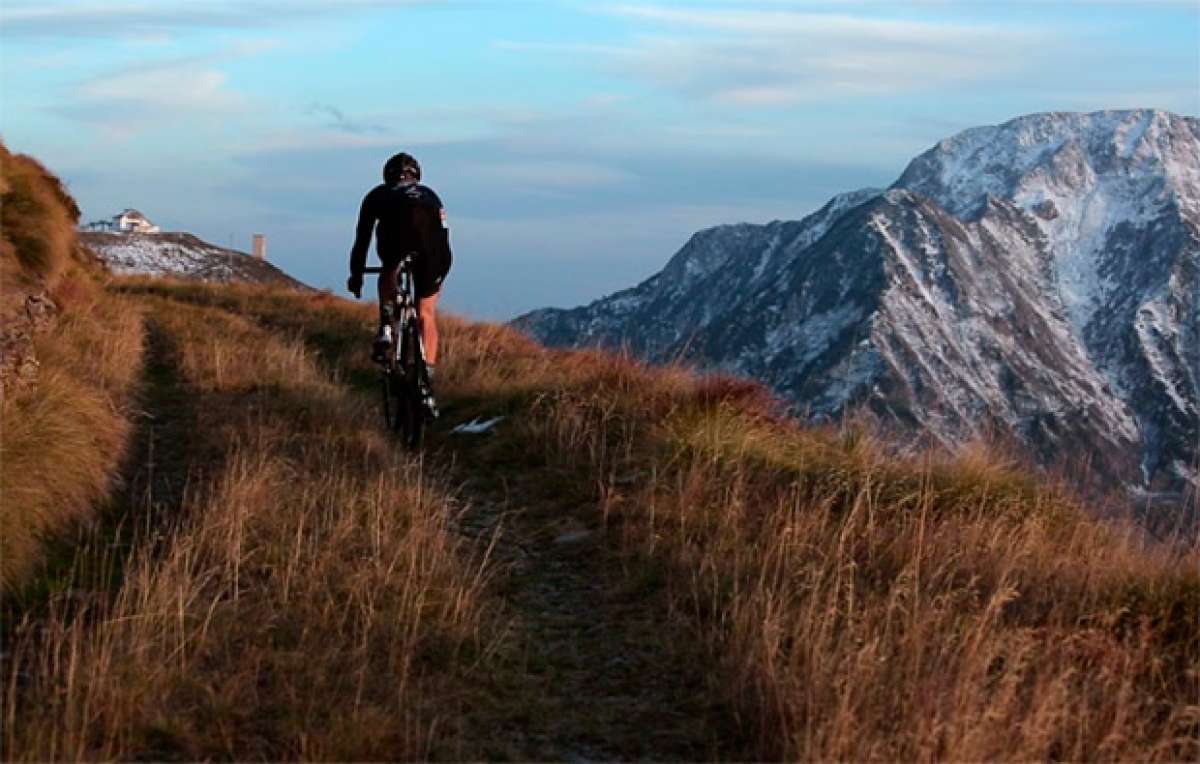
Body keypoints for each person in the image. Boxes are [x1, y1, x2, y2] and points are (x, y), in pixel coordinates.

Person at [347, 151, 452, 416]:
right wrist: (439, 273)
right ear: (417, 176)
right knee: (426, 313)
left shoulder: (378, 195)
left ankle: (386, 326)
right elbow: (444, 237)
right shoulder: (430, 194)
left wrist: (356, 274)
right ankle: (426, 380)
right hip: (433, 251)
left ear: (387, 176)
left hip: (396, 242)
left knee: (390, 268)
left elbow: (362, 238)